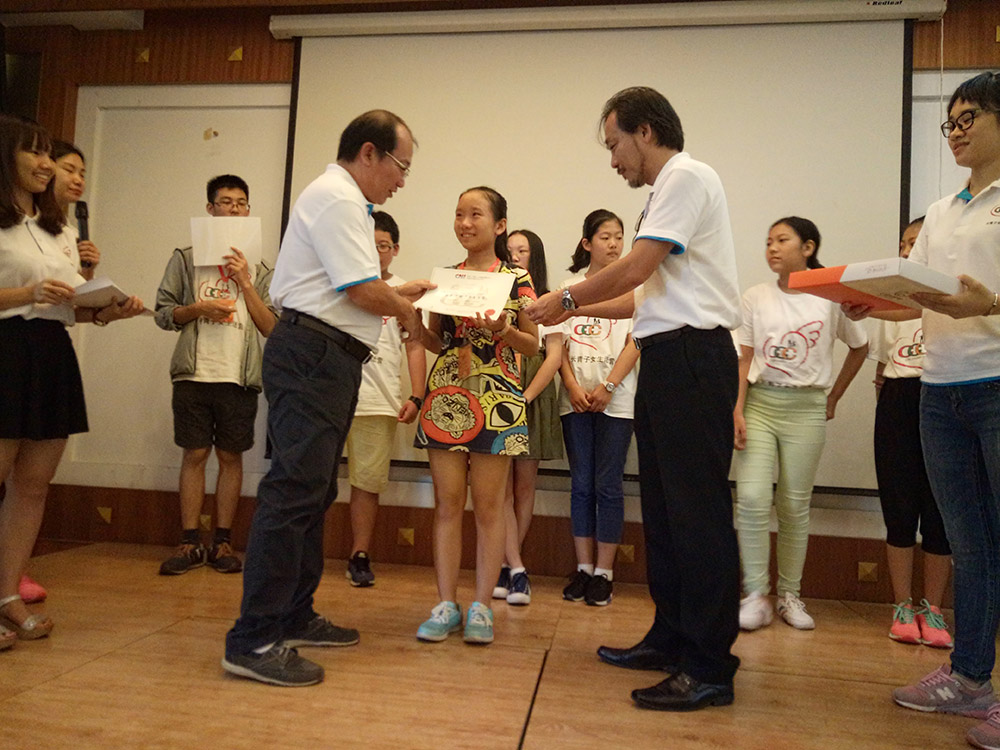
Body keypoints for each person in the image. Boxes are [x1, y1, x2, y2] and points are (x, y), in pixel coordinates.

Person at [527, 86, 742, 711]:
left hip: (694, 358)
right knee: (668, 514)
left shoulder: (686, 176)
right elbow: (643, 296)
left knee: (696, 514)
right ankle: (672, 637)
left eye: (614, 144)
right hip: (668, 356)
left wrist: (567, 297)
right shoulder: (664, 193)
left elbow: (637, 269)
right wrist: (570, 308)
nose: (613, 159)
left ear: (645, 131)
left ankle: (709, 665)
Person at [223, 109, 428, 687]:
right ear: (369, 153)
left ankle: (294, 614)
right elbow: (360, 290)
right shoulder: (338, 197)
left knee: (313, 491)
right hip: (313, 354)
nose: (402, 180)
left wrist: (398, 294)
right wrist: (407, 310)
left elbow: (354, 286)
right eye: (401, 165)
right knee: (294, 492)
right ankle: (253, 638)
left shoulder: (346, 201)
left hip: (327, 357)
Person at [843, 72, 1000, 750]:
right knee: (970, 544)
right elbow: (922, 296)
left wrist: (989, 304)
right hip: (939, 388)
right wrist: (870, 303)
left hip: (997, 384)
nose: (956, 131)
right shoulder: (940, 211)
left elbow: (975, 300)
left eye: (970, 118)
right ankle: (970, 679)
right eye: (951, 121)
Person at [0, 115, 144, 650]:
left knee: (33, 485)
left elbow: (65, 306)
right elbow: (33, 295)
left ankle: (7, 595)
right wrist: (30, 293)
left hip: (50, 352)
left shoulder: (58, 228)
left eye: (48, 155)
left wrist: (105, 311)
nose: (46, 165)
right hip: (5, 349)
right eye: (34, 153)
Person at [413, 186, 538, 645]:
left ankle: (482, 606)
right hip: (446, 396)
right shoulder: (446, 278)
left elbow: (533, 345)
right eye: (459, 214)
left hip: (497, 399)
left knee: (489, 507)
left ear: (499, 225)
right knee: (447, 505)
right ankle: (446, 604)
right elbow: (438, 342)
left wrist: (503, 330)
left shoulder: (517, 279)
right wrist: (413, 325)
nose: (465, 223)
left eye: (476, 215)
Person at [733, 217, 869, 632]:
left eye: (782, 240)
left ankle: (789, 595)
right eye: (768, 241)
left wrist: (833, 397)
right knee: (752, 498)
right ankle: (755, 594)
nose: (772, 248)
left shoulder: (829, 297)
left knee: (793, 504)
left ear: (807, 248)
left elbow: (860, 347)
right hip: (759, 403)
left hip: (806, 408)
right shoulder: (755, 296)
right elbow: (743, 358)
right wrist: (736, 410)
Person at [154, 174, 278, 577]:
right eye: (225, 202)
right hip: (193, 374)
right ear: (210, 209)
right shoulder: (186, 257)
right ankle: (189, 541)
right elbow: (162, 313)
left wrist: (245, 280)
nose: (234, 209)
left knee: (230, 456)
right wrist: (197, 310)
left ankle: (223, 540)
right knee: (193, 455)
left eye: (241, 203)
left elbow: (271, 327)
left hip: (238, 376)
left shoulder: (260, 267)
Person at [872, 216, 952, 648]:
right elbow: (882, 367)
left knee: (940, 511)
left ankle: (933, 608)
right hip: (899, 399)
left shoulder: (953, 296)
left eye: (915, 243)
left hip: (942, 394)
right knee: (899, 507)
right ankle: (902, 605)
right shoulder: (891, 303)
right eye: (903, 243)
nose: (907, 251)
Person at [558, 210, 638, 608]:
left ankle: (605, 573)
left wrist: (608, 387)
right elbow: (557, 346)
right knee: (581, 484)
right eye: (605, 237)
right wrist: (573, 386)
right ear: (587, 243)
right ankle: (584, 568)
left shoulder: (634, 288)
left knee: (608, 485)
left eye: (619, 237)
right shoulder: (568, 289)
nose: (614, 244)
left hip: (617, 401)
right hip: (573, 400)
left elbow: (635, 342)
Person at [344, 210, 427, 587]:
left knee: (367, 482)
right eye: (369, 244)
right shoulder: (343, 283)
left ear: (394, 249)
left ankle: (359, 554)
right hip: (333, 395)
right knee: (314, 477)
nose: (376, 252)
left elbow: (414, 345)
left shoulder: (405, 293)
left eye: (383, 245)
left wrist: (417, 394)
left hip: (378, 400)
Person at [493, 228, 562, 606]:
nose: (516, 256)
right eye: (510, 250)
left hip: (532, 394)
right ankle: (516, 567)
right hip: (500, 394)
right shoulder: (496, 295)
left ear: (535, 256)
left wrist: (526, 397)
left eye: (523, 250)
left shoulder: (549, 300)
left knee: (524, 486)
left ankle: (508, 564)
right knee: (499, 488)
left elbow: (553, 356)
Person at [50, 141, 99, 280]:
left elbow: (75, 286)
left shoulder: (73, 233)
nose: (78, 181)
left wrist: (88, 270)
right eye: (69, 170)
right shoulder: (24, 222)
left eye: (82, 175)